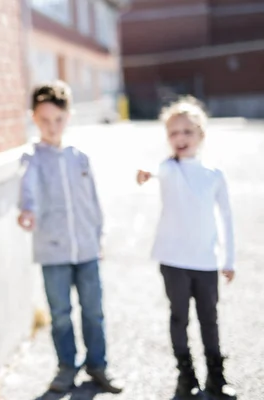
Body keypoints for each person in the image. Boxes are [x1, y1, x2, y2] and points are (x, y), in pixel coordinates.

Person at [18, 81, 122, 394]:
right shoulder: (32, 158)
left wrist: (99, 236)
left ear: (68, 117)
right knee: (61, 314)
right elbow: (28, 189)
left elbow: (93, 201)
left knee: (94, 311)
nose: (52, 126)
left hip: (87, 249)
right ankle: (66, 368)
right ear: (34, 119)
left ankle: (98, 366)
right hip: (53, 252)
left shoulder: (80, 157)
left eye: (58, 119)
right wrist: (28, 211)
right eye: (44, 120)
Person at [137, 96, 236, 400]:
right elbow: (155, 170)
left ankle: (216, 379)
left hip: (206, 262)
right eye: (173, 133)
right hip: (173, 260)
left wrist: (228, 259)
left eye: (187, 132)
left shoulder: (214, 175)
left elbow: (226, 219)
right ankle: (186, 378)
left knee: (209, 319)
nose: (180, 138)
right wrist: (145, 173)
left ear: (201, 135)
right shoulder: (168, 168)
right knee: (178, 317)